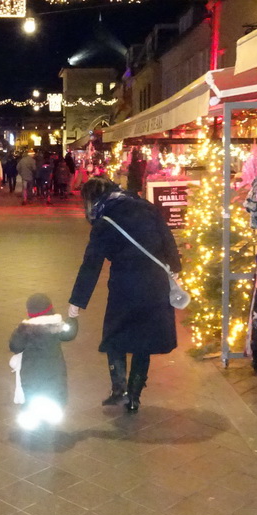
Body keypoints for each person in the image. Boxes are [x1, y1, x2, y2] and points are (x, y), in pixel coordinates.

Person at [69, 177, 181, 413]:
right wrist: (175, 270)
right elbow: (168, 242)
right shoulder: (148, 208)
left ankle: (118, 388)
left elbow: (92, 264)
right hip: (155, 284)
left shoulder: (105, 220)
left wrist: (77, 302)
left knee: (115, 336)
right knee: (144, 340)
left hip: (124, 285)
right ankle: (134, 396)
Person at [9, 293, 78, 430]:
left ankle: (31, 415)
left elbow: (15, 346)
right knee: (54, 391)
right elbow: (70, 333)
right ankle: (52, 412)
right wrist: (73, 318)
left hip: (31, 372)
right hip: (54, 371)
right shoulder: (58, 326)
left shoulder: (24, 329)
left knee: (31, 392)